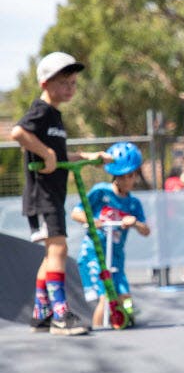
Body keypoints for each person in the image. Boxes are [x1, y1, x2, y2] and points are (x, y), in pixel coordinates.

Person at [11, 51, 107, 336]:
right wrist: (45, 152)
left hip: (51, 196)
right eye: (63, 82)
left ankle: (41, 313)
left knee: (50, 254)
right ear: (45, 83)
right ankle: (60, 316)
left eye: (73, 83)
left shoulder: (54, 116)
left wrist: (91, 156)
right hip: (42, 196)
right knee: (59, 250)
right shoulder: (41, 111)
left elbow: (62, 154)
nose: (70, 88)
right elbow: (18, 133)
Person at [71, 142, 150, 327]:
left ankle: (124, 323)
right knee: (106, 298)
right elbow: (76, 213)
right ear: (116, 176)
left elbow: (146, 230)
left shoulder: (133, 203)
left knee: (124, 298)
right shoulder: (101, 192)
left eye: (133, 175)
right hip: (95, 253)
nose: (131, 180)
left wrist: (135, 223)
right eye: (126, 176)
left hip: (116, 257)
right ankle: (100, 334)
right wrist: (95, 222)